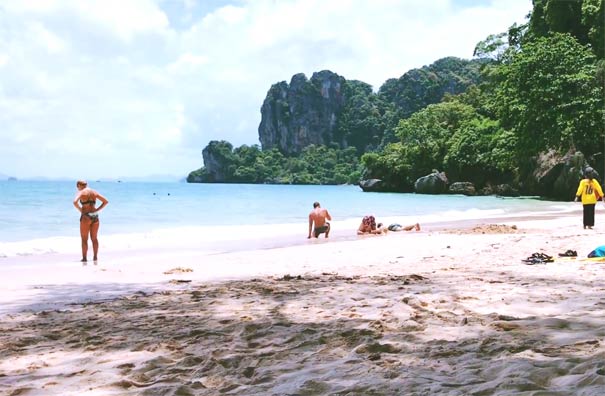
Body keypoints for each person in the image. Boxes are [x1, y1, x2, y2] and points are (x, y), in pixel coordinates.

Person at [73, 180, 109, 262]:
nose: (77, 188)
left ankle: (84, 258)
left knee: (84, 239)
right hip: (95, 216)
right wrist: (97, 209)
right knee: (94, 238)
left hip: (86, 216)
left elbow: (75, 202)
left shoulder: (81, 192)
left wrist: (80, 209)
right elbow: (105, 201)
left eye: (77, 186)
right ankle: (95, 257)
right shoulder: (94, 192)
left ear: (79, 185)